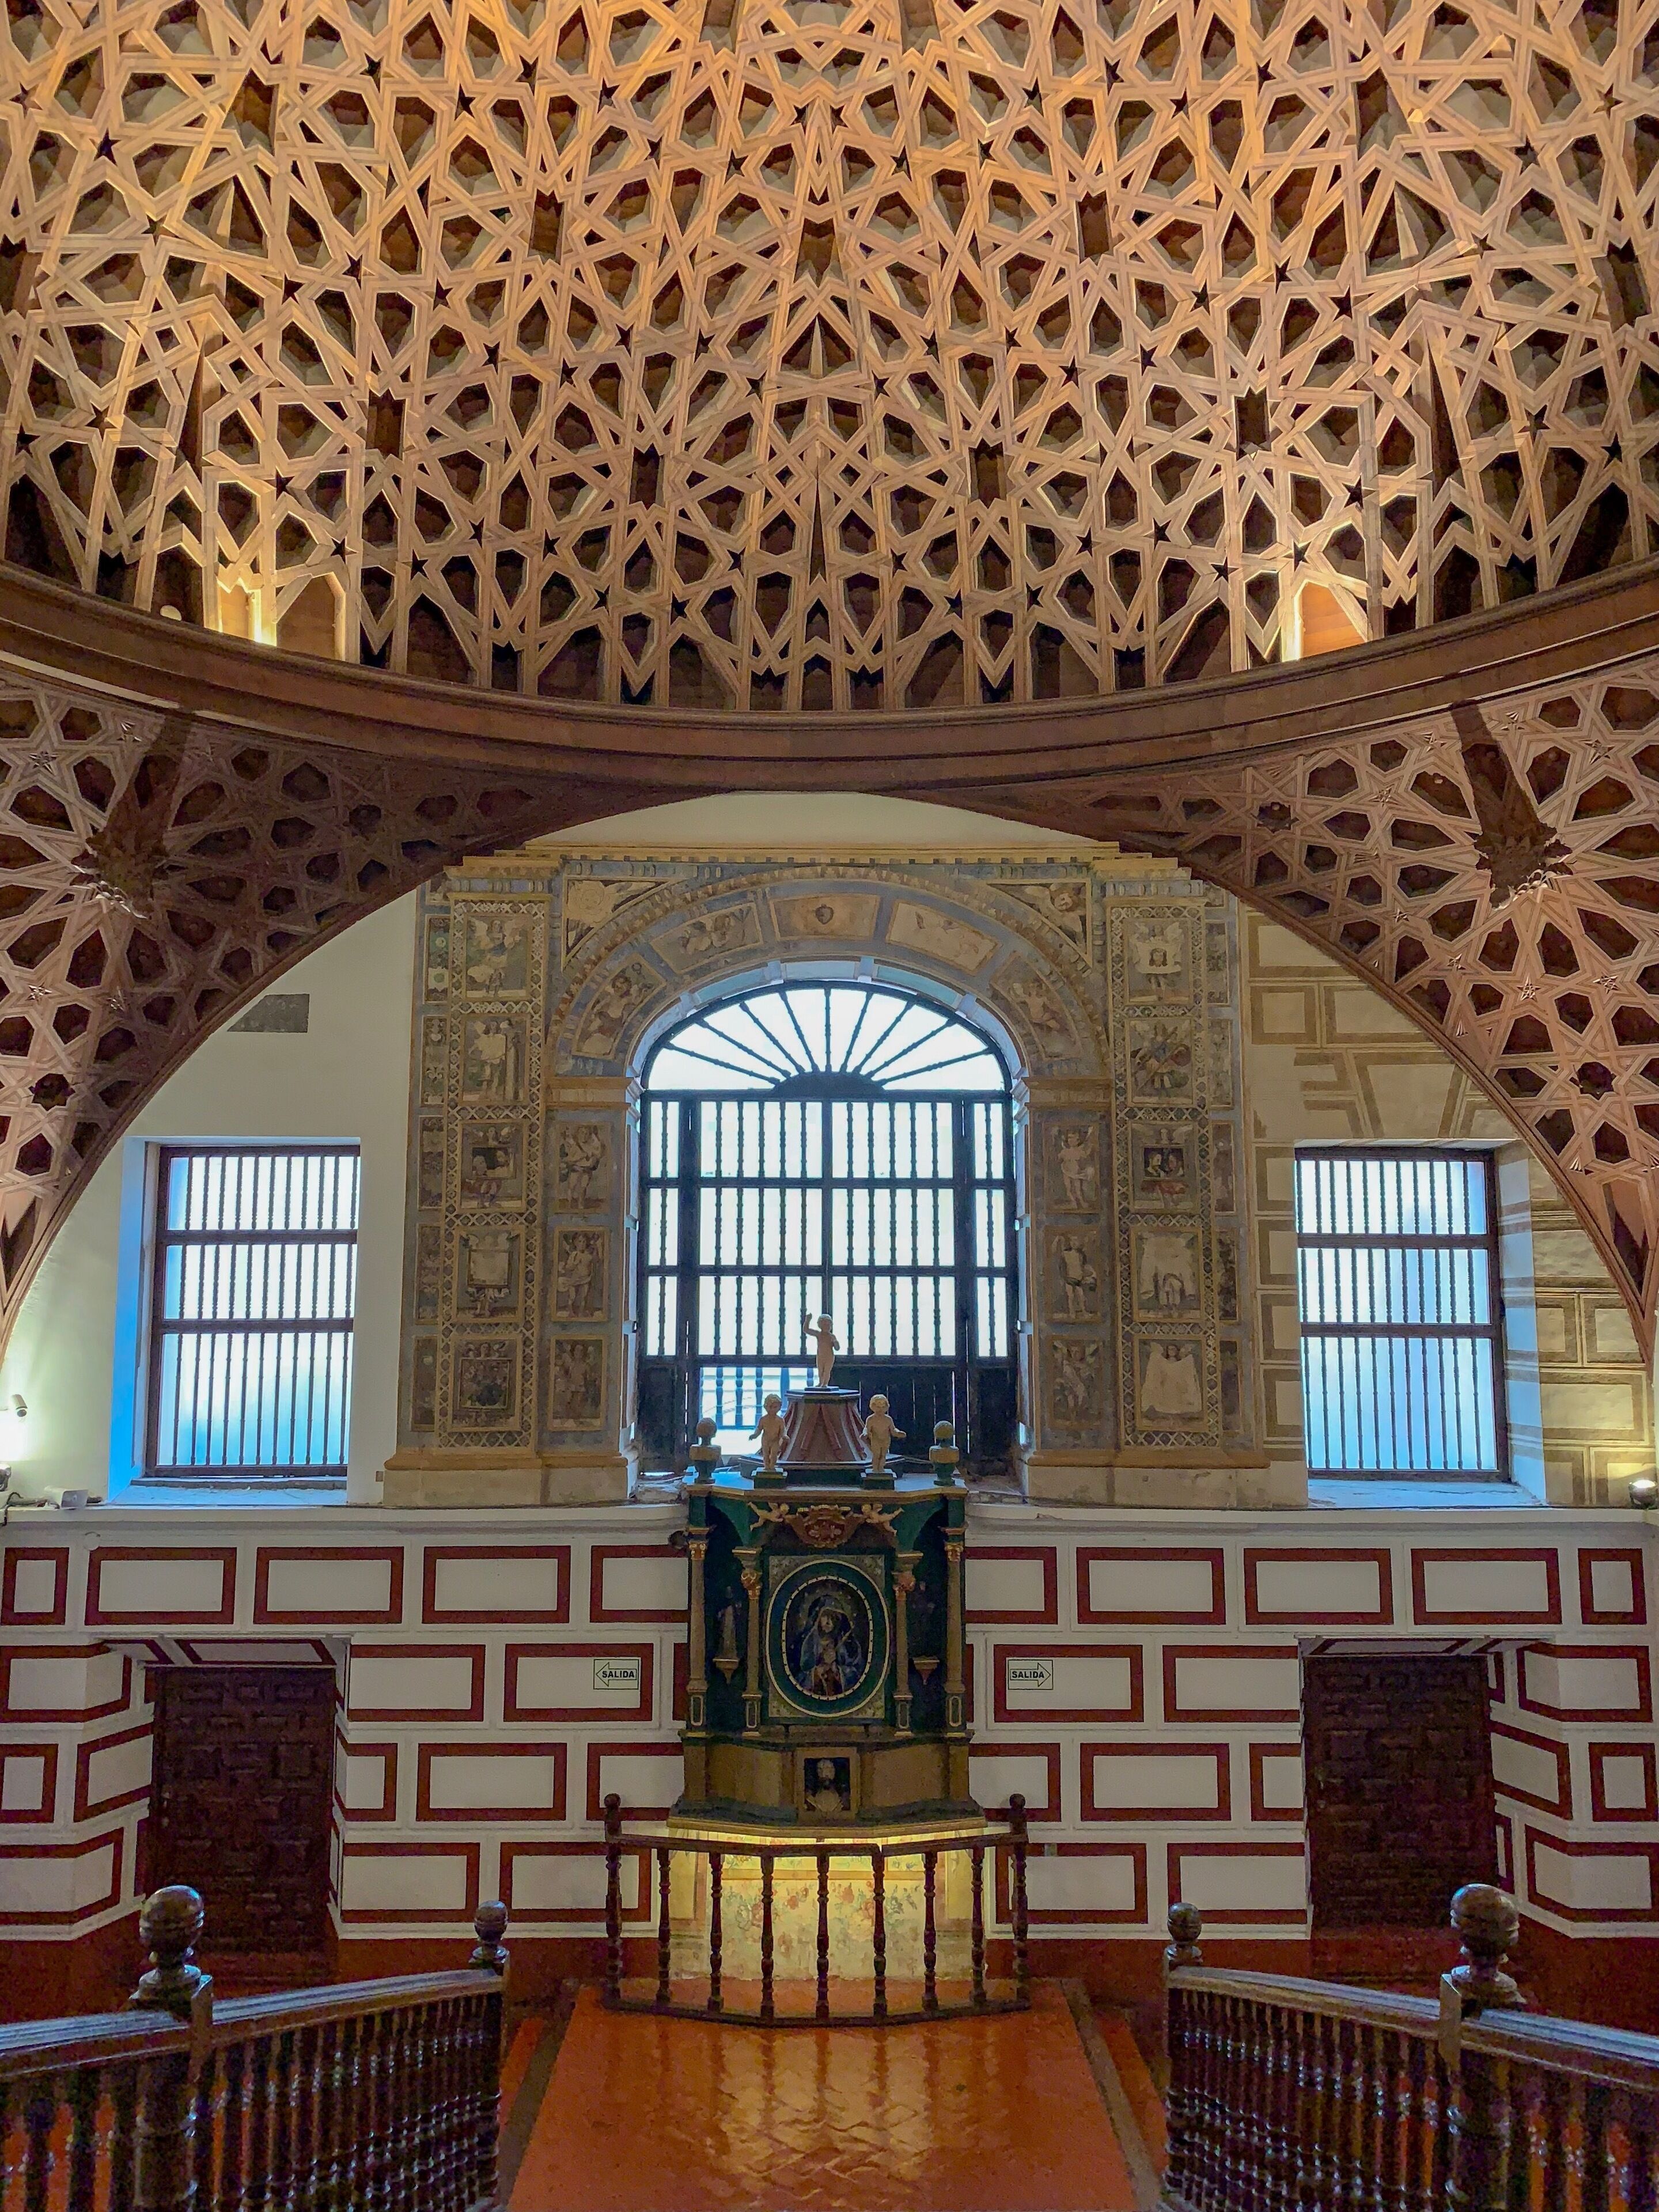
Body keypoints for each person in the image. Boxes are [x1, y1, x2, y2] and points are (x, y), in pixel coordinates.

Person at [862, 1394, 904, 1477]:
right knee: (877, 1455)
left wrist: (898, 1433)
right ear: (873, 1406)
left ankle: (881, 1468)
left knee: (883, 1455)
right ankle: (875, 1469)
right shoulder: (871, 1419)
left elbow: (893, 1429)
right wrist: (865, 1433)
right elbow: (867, 1428)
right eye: (878, 1407)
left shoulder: (888, 1419)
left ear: (886, 1406)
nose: (880, 1409)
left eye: (882, 1406)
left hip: (886, 1440)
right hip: (875, 1440)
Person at [749, 1391, 786, 1475]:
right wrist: (755, 1435)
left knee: (773, 1455)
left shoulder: (780, 1420)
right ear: (766, 1407)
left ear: (779, 1407)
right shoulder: (763, 1419)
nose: (772, 1409)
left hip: (775, 1440)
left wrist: (784, 1436)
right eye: (770, 1407)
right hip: (766, 1440)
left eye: (775, 1407)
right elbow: (759, 1429)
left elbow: (783, 1430)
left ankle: (772, 1467)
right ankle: (766, 1467)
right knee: (766, 1455)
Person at [806, 1312, 839, 1388]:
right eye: (824, 1325)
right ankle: (821, 1382)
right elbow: (806, 1330)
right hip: (820, 1356)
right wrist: (807, 1321)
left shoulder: (831, 1336)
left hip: (829, 1357)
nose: (826, 1327)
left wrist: (835, 1342)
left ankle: (825, 1384)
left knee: (827, 1371)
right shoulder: (819, 1334)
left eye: (828, 1325)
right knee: (820, 1371)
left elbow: (837, 1348)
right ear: (820, 1325)